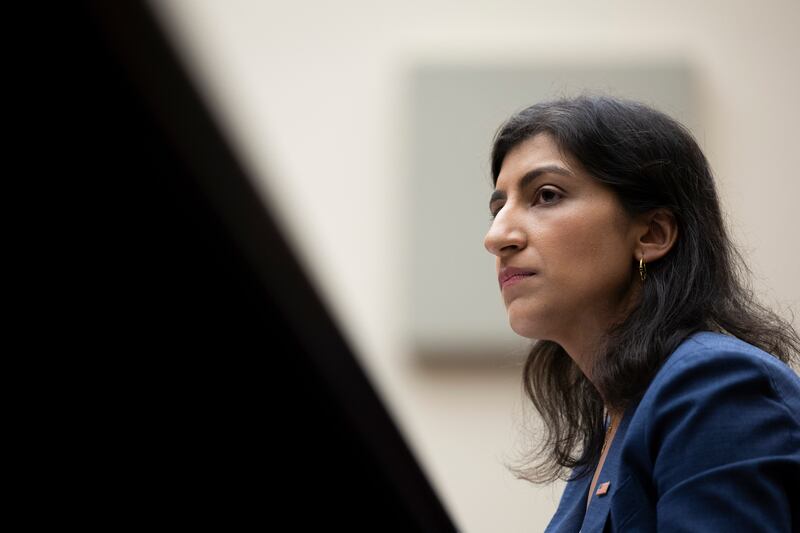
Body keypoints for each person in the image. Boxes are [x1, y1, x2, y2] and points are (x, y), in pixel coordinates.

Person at [483, 94, 800, 532]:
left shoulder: (712, 385)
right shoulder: (615, 417)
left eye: (546, 195)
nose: (497, 236)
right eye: (498, 208)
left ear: (652, 233)